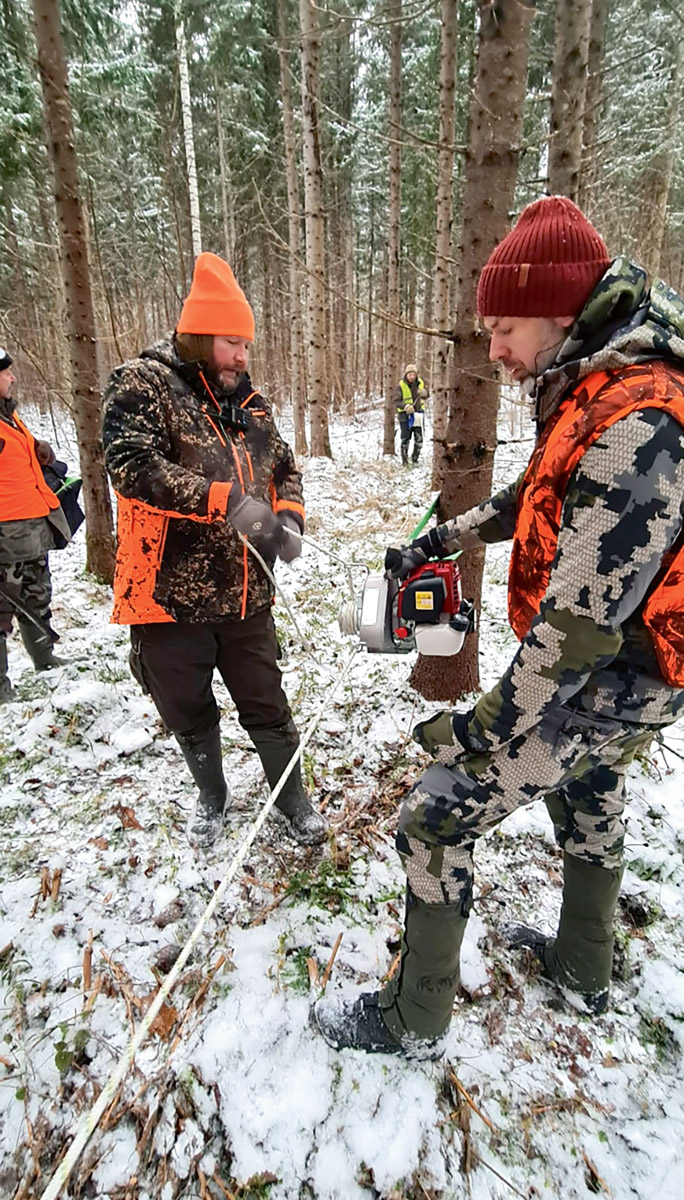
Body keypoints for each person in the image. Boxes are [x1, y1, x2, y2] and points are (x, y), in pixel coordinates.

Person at [315, 195, 684, 1058]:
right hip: (626, 677)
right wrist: (438, 540)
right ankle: (585, 968)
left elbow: (576, 633)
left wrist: (480, 729)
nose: (495, 350)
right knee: (590, 787)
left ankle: (413, 1020)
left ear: (559, 312)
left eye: (505, 328)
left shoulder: (640, 424)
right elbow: (536, 495)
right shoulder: (599, 389)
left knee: (433, 815)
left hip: (613, 680)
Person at [103, 253, 327, 850]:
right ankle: (211, 792)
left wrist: (288, 515)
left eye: (246, 344)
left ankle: (291, 799)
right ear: (200, 336)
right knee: (187, 706)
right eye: (232, 343)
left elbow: (284, 466)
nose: (243, 356)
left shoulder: (250, 402)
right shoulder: (143, 384)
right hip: (167, 596)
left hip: (247, 591)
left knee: (267, 702)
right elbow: (132, 466)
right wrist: (223, 500)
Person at [0, 347, 71, 702]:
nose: (12, 378)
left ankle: (44, 659)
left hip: (31, 526)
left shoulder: (9, 415)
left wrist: (39, 448)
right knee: (2, 611)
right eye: (5, 374)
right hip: (5, 534)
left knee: (37, 596)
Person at [394, 364, 428, 465]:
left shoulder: (420, 383)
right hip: (405, 416)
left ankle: (415, 460)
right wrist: (406, 406)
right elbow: (396, 401)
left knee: (419, 439)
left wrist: (425, 393)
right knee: (405, 439)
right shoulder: (400, 386)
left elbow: (427, 395)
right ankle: (405, 462)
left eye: (414, 374)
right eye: (410, 375)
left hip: (418, 414)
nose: (412, 377)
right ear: (406, 375)